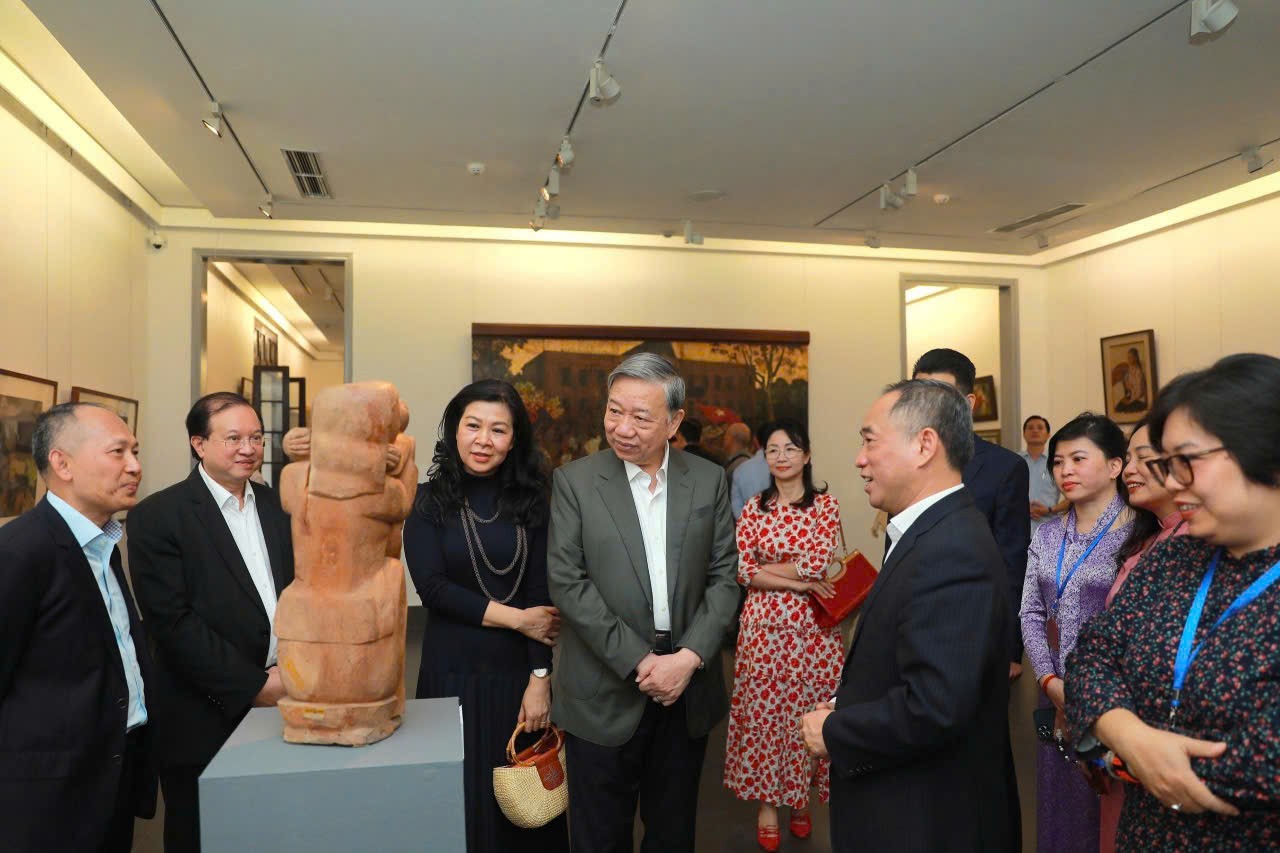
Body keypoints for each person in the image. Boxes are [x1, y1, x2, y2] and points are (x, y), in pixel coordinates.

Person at [1068, 353, 1280, 849]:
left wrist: (1106, 746)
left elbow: (1262, 765)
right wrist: (1130, 737)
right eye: (1166, 464)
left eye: (1186, 461)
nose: (1170, 481)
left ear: (1266, 452)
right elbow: (1090, 657)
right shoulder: (1174, 557)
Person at [800, 379, 1013, 852]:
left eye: (869, 441)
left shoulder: (952, 549)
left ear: (924, 445)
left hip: (923, 819)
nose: (859, 459)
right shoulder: (931, 532)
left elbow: (935, 705)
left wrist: (836, 730)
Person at [547, 352, 739, 853]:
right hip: (603, 690)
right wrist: (640, 661)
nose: (622, 428)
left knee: (673, 833)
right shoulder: (576, 482)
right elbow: (567, 583)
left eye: (640, 417)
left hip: (686, 691)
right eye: (614, 411)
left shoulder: (707, 480)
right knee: (598, 836)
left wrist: (689, 658)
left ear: (674, 422)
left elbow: (724, 577)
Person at [402, 380, 568, 853]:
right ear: (454, 430)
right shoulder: (426, 501)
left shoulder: (533, 502)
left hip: (517, 678)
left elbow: (540, 596)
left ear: (513, 440)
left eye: (498, 430)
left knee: (524, 803)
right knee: (456, 801)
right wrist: (518, 620)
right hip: (450, 675)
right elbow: (433, 589)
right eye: (473, 426)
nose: (483, 440)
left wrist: (540, 679)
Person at [129, 393, 294, 852]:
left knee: (275, 827)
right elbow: (172, 623)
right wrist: (254, 685)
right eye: (234, 438)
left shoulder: (278, 506)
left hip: (285, 697)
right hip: (202, 711)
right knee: (202, 834)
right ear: (199, 444)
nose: (249, 448)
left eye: (257, 438)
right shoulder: (158, 516)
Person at [0, 403, 155, 852]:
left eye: (135, 451)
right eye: (117, 452)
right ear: (62, 464)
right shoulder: (20, 553)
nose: (135, 466)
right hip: (46, 802)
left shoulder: (104, 544)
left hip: (111, 778)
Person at [723, 419, 841, 851]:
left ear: (806, 456)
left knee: (806, 715)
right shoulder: (754, 507)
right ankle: (768, 807)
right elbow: (742, 570)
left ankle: (800, 799)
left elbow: (817, 563)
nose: (781, 457)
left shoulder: (825, 506)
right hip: (761, 630)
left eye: (791, 448)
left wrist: (771, 571)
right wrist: (800, 584)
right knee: (764, 719)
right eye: (773, 450)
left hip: (813, 632)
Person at [1020, 413, 1132, 853]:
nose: (1065, 470)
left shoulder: (1137, 534)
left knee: (1108, 808)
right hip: (1055, 696)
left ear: (1115, 465)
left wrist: (1084, 693)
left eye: (1078, 459)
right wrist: (1050, 682)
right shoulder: (1048, 534)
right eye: (1058, 461)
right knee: (1059, 807)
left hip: (1115, 699)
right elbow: (1030, 611)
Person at [1097, 417, 1189, 852]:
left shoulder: (1196, 543)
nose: (1129, 469)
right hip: (1122, 737)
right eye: (1127, 458)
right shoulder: (1147, 540)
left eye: (1143, 458)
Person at [1021, 415, 1062, 535]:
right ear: (1024, 434)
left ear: (1048, 434)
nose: (1035, 430)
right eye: (1030, 428)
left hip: (1049, 531)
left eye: (1040, 427)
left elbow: (1071, 499)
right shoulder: (1014, 461)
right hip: (1018, 529)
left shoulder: (1057, 462)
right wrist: (1020, 508)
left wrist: (1049, 509)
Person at [731, 420, 773, 520]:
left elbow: (737, 510)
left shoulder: (740, 470)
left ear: (755, 441)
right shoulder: (790, 466)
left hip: (750, 526)